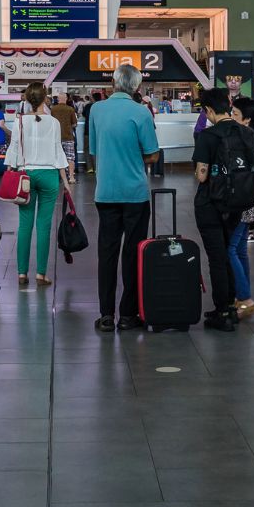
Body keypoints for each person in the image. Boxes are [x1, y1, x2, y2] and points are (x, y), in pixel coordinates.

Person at [89, 64, 160, 330]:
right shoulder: (140, 113)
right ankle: (128, 314)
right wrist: (135, 157)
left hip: (105, 191)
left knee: (106, 253)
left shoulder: (96, 110)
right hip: (135, 194)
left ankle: (106, 314)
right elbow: (152, 154)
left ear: (113, 83)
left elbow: (94, 150)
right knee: (133, 252)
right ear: (137, 87)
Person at [189, 87, 254, 331]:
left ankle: (222, 311)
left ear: (208, 110)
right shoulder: (246, 133)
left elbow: (202, 174)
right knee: (229, 251)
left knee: (217, 258)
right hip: (238, 203)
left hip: (210, 204)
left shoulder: (208, 136)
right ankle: (231, 304)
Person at [5, 82, 72, 288]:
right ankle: (41, 274)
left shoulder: (20, 123)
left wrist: (10, 171)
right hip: (49, 175)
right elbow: (57, 151)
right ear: (45, 99)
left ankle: (22, 273)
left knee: (25, 225)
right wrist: (66, 180)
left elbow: (14, 150)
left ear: (26, 100)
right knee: (44, 226)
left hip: (26, 175)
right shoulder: (53, 123)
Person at [230, 95, 254, 318]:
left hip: (242, 200)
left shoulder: (244, 139)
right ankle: (242, 296)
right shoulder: (252, 136)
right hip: (250, 200)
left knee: (229, 249)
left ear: (247, 120)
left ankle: (244, 297)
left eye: (235, 115)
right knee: (240, 249)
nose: (231, 118)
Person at [50, 92, 79, 167]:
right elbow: (74, 124)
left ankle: (60, 175)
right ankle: (70, 176)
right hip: (68, 137)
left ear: (58, 99)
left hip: (56, 138)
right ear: (66, 99)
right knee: (70, 158)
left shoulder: (53, 109)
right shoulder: (70, 109)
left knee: (57, 157)